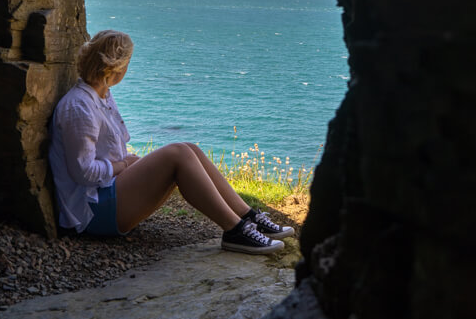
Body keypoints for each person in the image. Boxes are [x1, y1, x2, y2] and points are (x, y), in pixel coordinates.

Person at [49, 30, 294, 254]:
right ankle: (235, 231)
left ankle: (248, 216)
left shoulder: (101, 95)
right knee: (178, 153)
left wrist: (126, 164)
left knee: (190, 149)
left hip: (107, 192)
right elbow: (83, 173)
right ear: (115, 68)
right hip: (92, 212)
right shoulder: (79, 106)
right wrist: (123, 165)